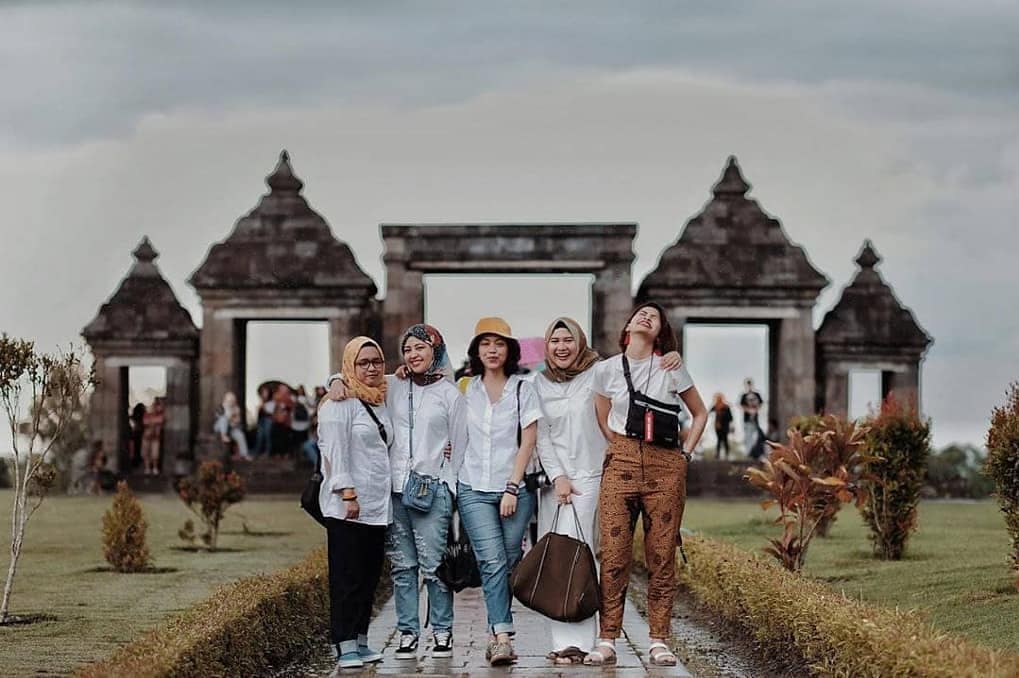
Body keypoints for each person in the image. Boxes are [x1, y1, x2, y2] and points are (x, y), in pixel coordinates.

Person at [532, 317, 682, 666]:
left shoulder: (600, 372)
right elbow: (541, 435)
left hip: (604, 475)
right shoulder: (538, 383)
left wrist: (669, 356)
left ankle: (594, 639)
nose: (561, 347)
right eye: (554, 341)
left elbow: (618, 413)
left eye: (568, 339)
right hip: (560, 484)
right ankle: (565, 640)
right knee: (560, 560)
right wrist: (558, 477)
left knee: (597, 557)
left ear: (580, 342)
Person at [586, 302, 708, 667]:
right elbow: (603, 417)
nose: (645, 317)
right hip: (621, 460)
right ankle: (607, 638)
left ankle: (658, 639)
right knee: (613, 554)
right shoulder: (606, 369)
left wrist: (685, 454)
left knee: (661, 554)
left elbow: (700, 412)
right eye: (641, 313)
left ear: (659, 332)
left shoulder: (671, 366)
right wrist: (621, 445)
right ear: (628, 326)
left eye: (653, 317)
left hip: (666, 465)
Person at [454, 317, 541, 666]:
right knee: (491, 562)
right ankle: (502, 637)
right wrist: (338, 381)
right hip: (473, 487)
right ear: (476, 350)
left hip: (514, 490)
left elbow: (529, 439)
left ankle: (496, 633)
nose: (492, 349)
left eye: (499, 343)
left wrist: (511, 486)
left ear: (510, 350)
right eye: (485, 343)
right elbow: (413, 386)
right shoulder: (463, 387)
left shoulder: (524, 387)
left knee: (507, 562)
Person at [318, 337, 393, 671]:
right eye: (363, 362)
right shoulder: (339, 402)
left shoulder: (381, 400)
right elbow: (334, 453)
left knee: (368, 575)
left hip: (377, 505)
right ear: (350, 365)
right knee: (346, 576)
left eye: (377, 361)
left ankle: (360, 639)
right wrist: (347, 493)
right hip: (348, 504)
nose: (372, 368)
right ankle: (344, 643)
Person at [214, 392, 251, 460]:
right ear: (225, 400)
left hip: (231, 428)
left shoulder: (237, 409)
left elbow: (237, 421)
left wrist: (232, 418)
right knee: (223, 419)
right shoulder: (221, 407)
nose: (231, 402)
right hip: (220, 427)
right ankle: (223, 435)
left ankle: (244, 454)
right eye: (229, 400)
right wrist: (229, 415)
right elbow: (220, 418)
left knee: (240, 435)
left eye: (232, 400)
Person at [141, 397, 165, 475]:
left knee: (155, 454)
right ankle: (147, 468)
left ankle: (155, 468)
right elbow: (145, 422)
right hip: (147, 437)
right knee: (146, 453)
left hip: (155, 437)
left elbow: (160, 421)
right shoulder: (147, 414)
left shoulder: (160, 415)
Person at [739, 378, 763, 456]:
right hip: (747, 419)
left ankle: (756, 452)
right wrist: (748, 410)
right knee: (748, 436)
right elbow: (741, 405)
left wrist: (755, 410)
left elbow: (761, 404)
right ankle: (749, 453)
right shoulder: (744, 395)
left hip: (755, 419)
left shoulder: (756, 394)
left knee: (756, 436)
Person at [711, 392, 734, 459]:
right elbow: (709, 412)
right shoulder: (715, 406)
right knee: (719, 440)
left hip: (725, 426)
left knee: (725, 440)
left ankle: (727, 454)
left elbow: (731, 418)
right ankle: (717, 455)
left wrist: (732, 426)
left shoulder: (726, 407)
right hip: (717, 426)